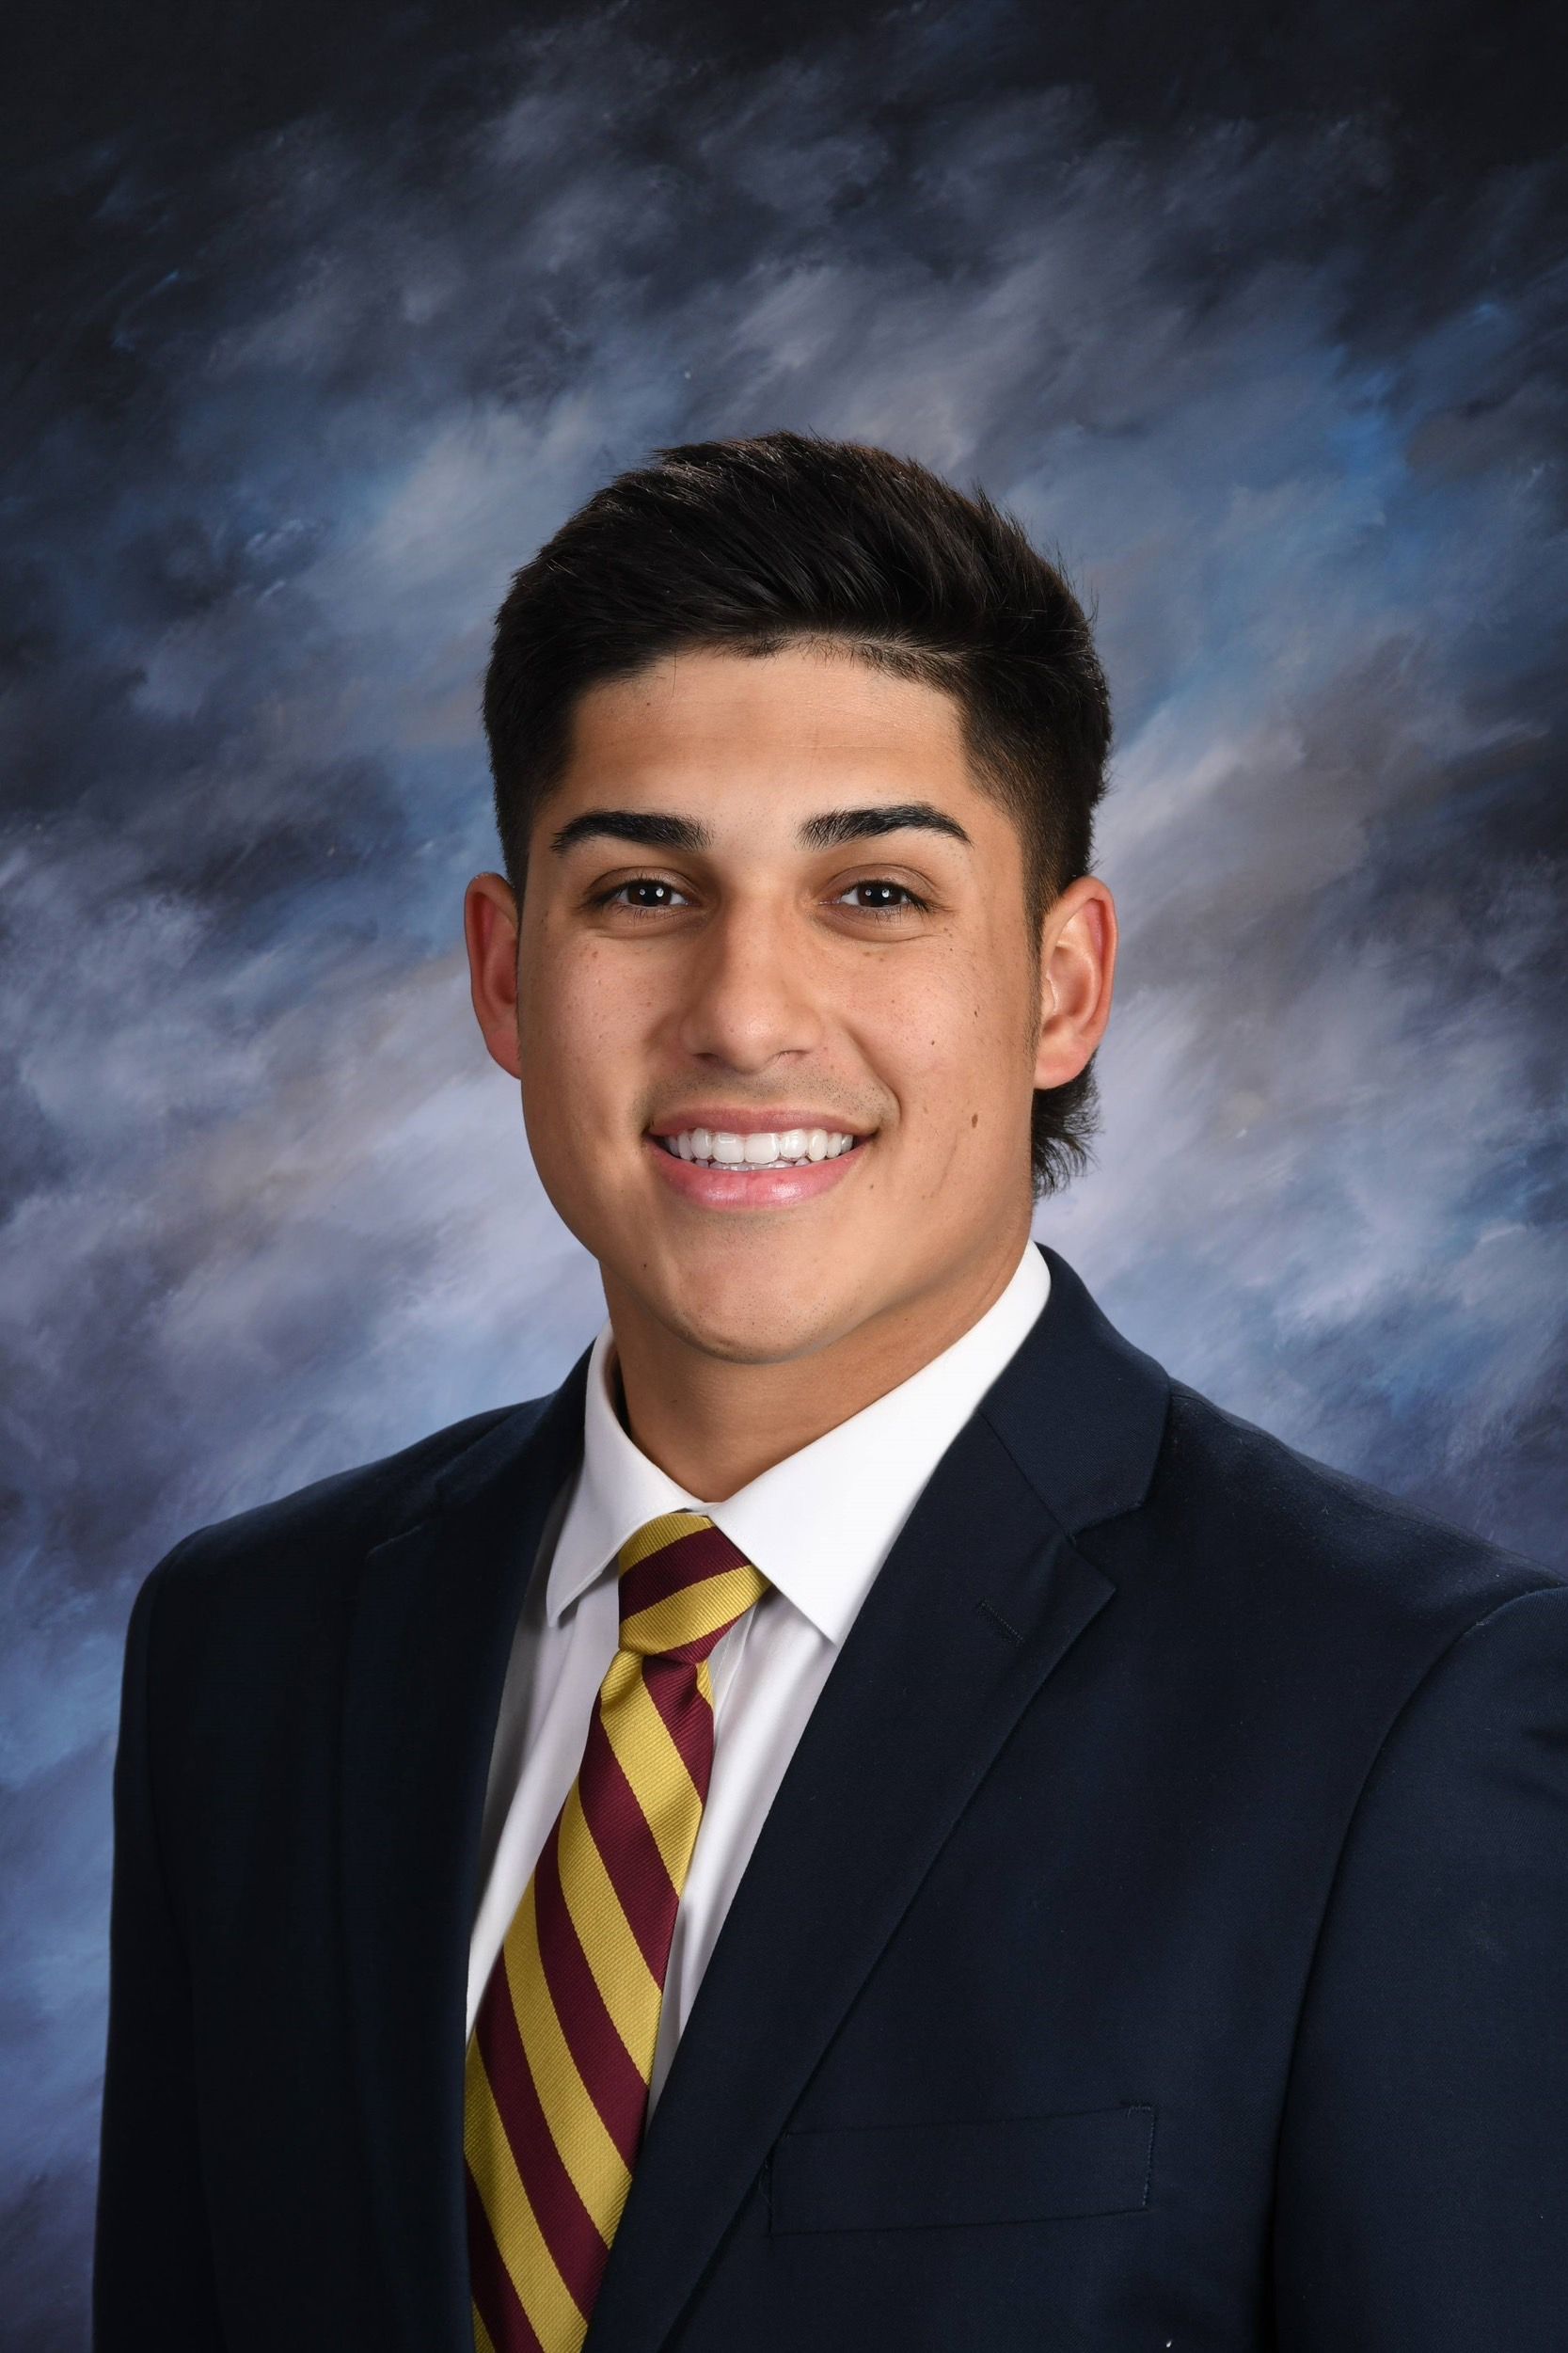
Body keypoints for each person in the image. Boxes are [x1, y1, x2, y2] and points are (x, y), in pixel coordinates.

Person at [93, 429, 1568, 2353]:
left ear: (1061, 984)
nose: (745, 1013)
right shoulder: (252, 1651)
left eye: (874, 894)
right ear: (505, 974)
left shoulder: (1400, 1717)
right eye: (641, 893)